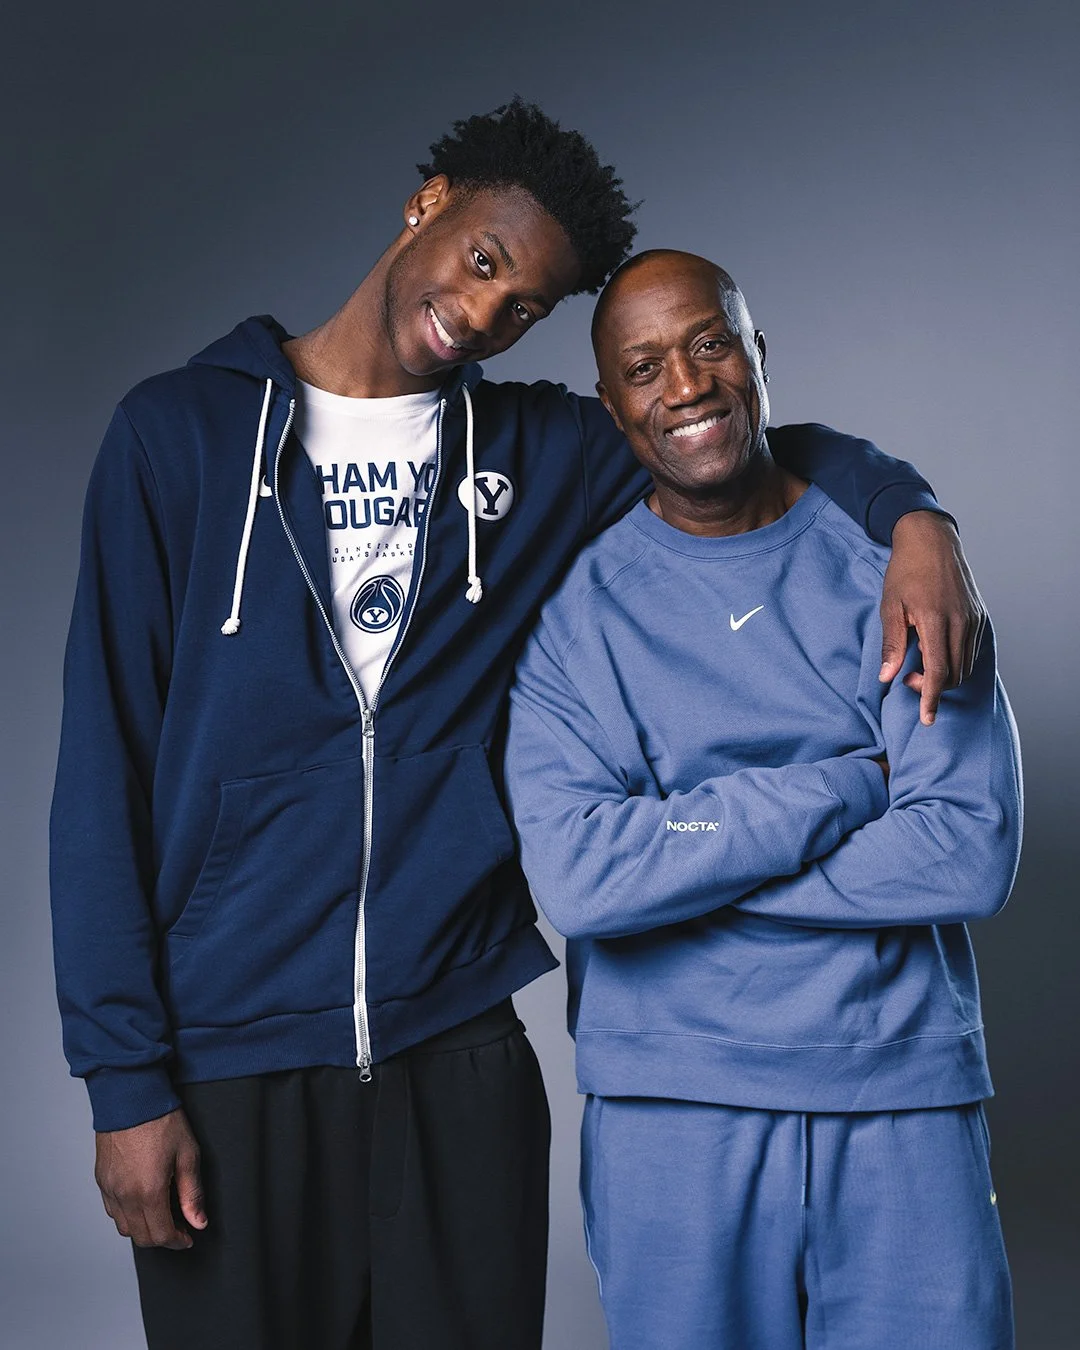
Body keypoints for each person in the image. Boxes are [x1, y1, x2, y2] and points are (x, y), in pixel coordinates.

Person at [51, 102, 985, 1350]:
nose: (488, 315)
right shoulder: (180, 436)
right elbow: (101, 772)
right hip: (234, 1051)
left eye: (528, 306)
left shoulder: (537, 451)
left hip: (462, 1049)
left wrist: (914, 515)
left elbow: (727, 431)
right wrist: (124, 1080)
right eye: (487, 263)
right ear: (428, 204)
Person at [505, 249, 1021, 1350]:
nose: (685, 385)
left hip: (900, 1093)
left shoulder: (896, 568)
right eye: (644, 366)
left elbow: (964, 849)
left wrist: (681, 871)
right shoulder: (574, 620)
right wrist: (841, 788)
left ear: (755, 354)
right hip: (672, 1107)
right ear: (612, 406)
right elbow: (581, 880)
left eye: (709, 343)